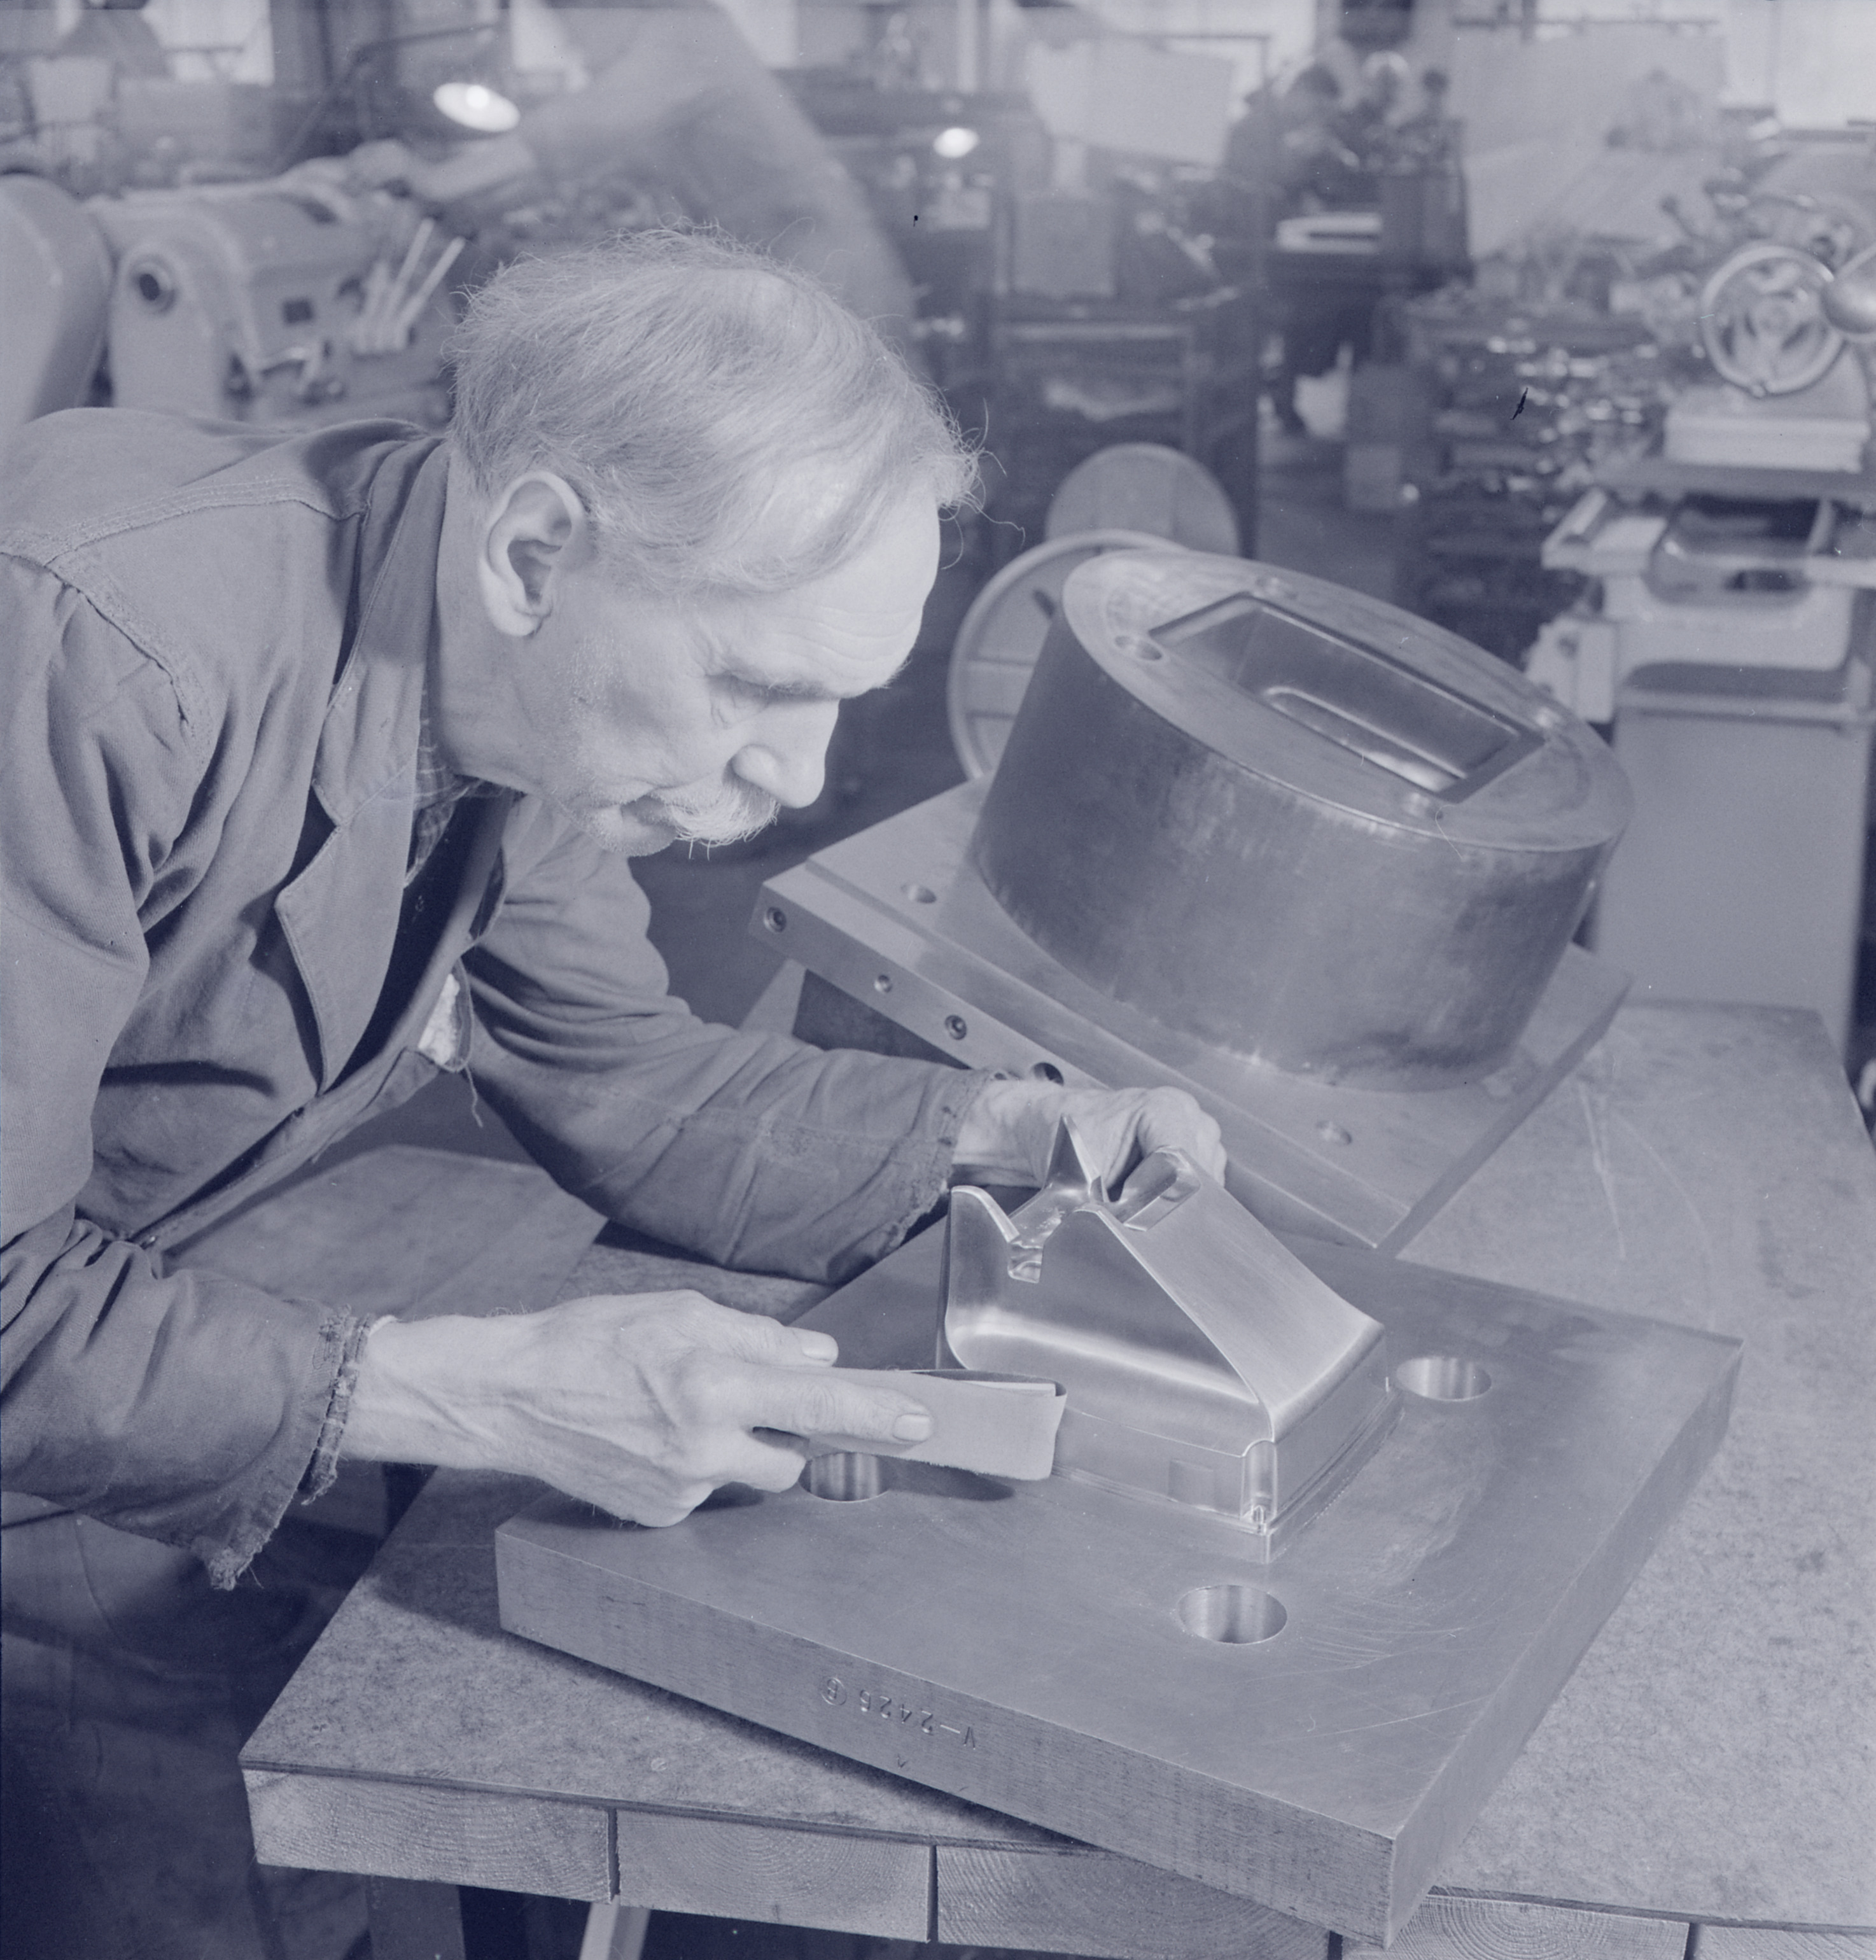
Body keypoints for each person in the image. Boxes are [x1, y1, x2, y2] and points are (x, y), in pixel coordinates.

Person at [0, 229, 1221, 1959]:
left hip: (125, 1334)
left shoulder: (511, 685)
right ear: (534, 548)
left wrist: (1012, 1141)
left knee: (342, 1845)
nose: (794, 780)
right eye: (753, 686)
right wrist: (462, 1394)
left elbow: (628, 1080)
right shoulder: (88, 649)